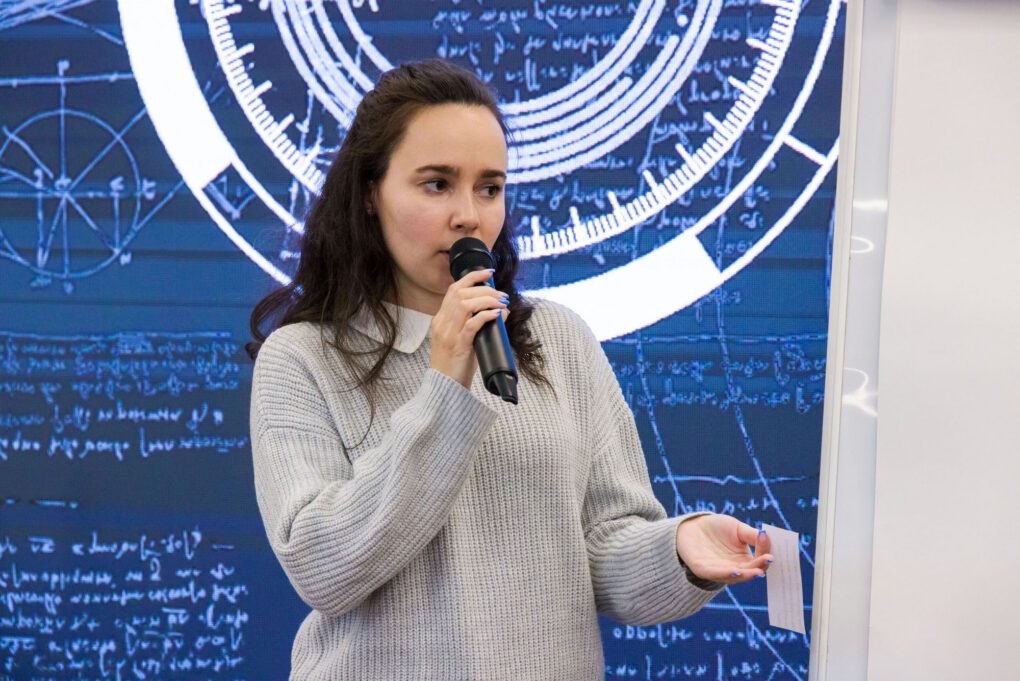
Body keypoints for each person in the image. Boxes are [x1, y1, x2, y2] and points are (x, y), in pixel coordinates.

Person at [248, 59, 772, 680]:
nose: (468, 215)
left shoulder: (557, 339)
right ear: (370, 193)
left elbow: (604, 546)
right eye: (436, 184)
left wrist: (678, 552)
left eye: (489, 188)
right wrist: (445, 386)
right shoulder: (303, 358)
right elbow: (323, 570)